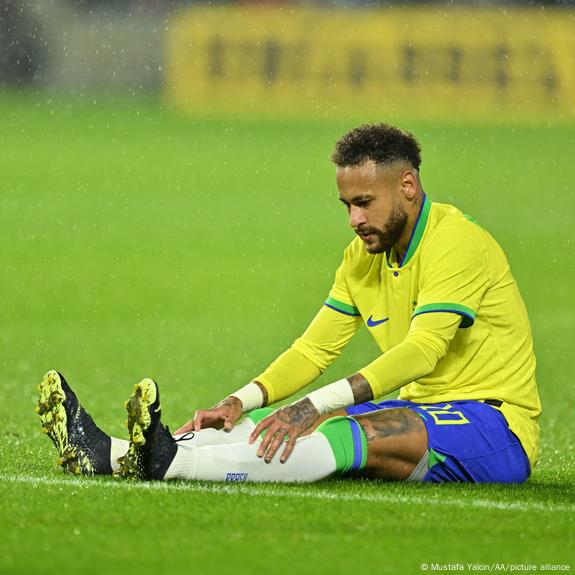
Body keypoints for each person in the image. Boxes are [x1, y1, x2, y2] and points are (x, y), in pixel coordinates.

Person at [36, 124, 541, 484]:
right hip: (421, 406)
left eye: (365, 202)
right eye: (346, 205)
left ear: (407, 186)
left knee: (350, 426)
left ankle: (173, 464)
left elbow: (423, 351)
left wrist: (312, 404)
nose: (354, 219)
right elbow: (313, 350)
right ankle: (107, 454)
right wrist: (240, 401)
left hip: (494, 423)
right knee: (271, 425)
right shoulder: (360, 258)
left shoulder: (456, 242)